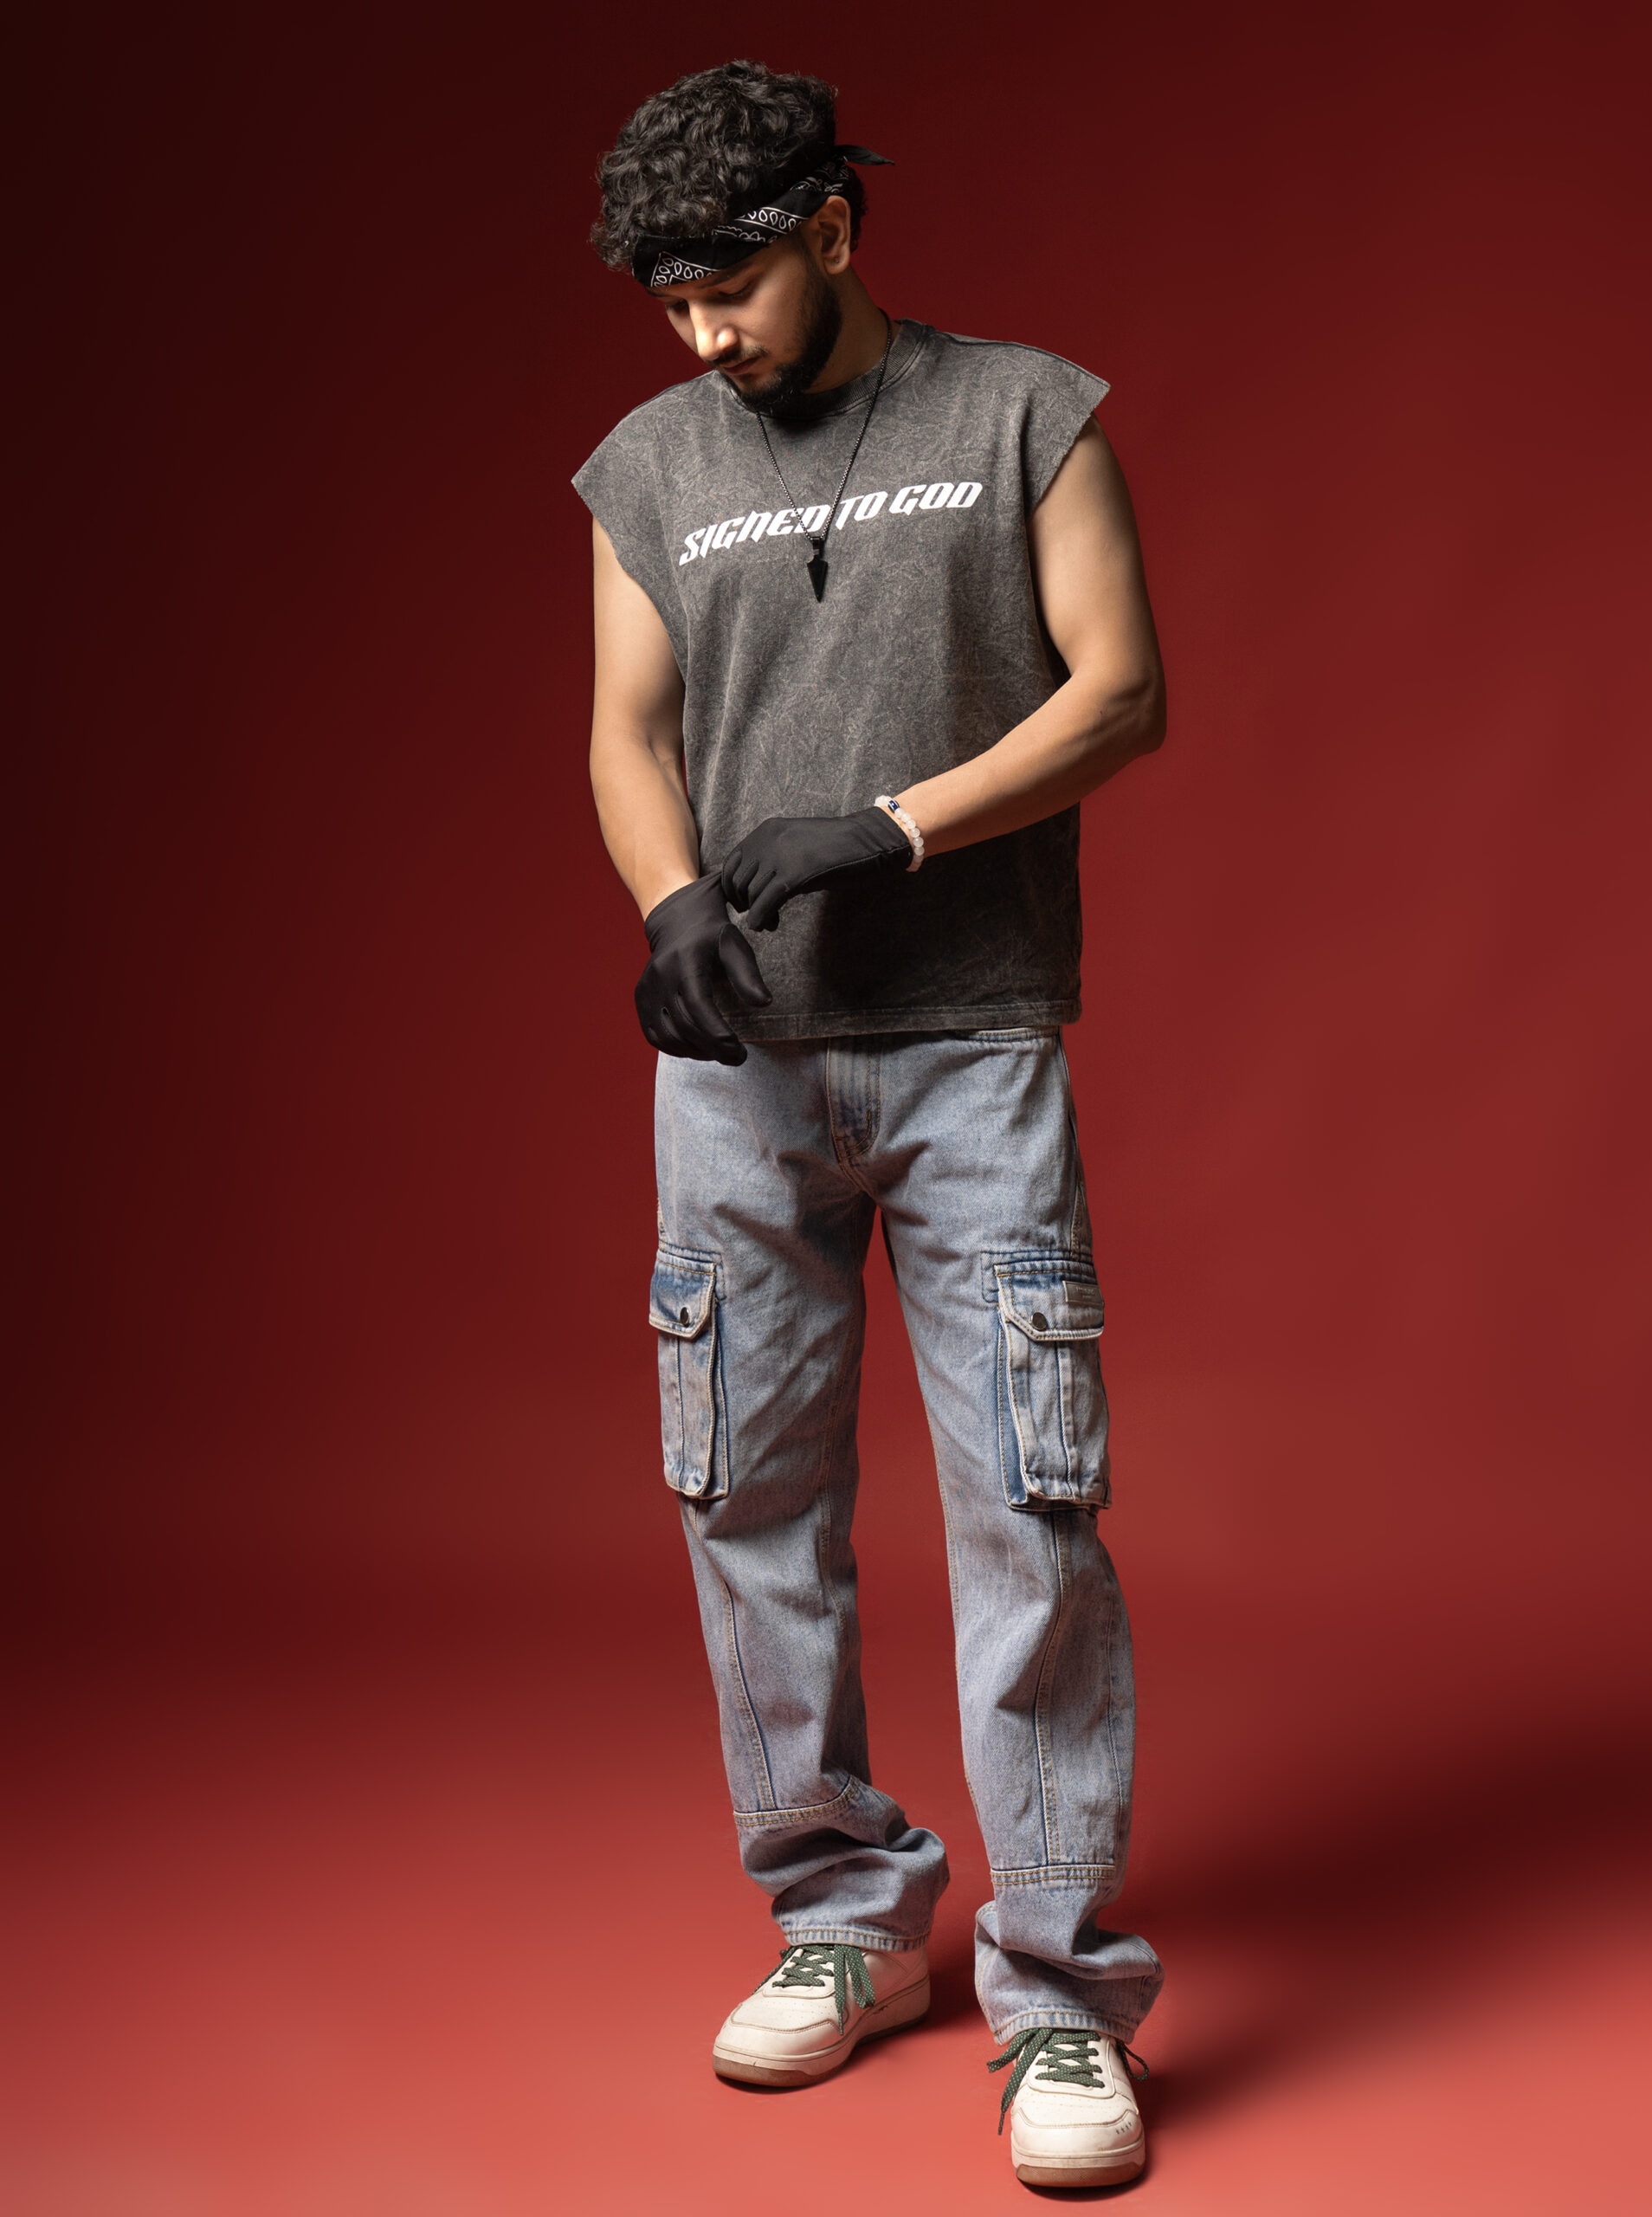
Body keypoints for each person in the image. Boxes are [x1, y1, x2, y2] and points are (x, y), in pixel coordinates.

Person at [576, 60, 1167, 2192]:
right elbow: (626, 730)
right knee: (745, 1494)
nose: (704, 336)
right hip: (739, 1077)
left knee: (1029, 1505)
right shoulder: (650, 462)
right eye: (670, 303)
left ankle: (1061, 1991)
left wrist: (896, 824)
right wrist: (668, 901)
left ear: (832, 230)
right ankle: (844, 1915)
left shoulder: (1023, 413)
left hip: (970, 1042)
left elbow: (1122, 687)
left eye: (731, 286)